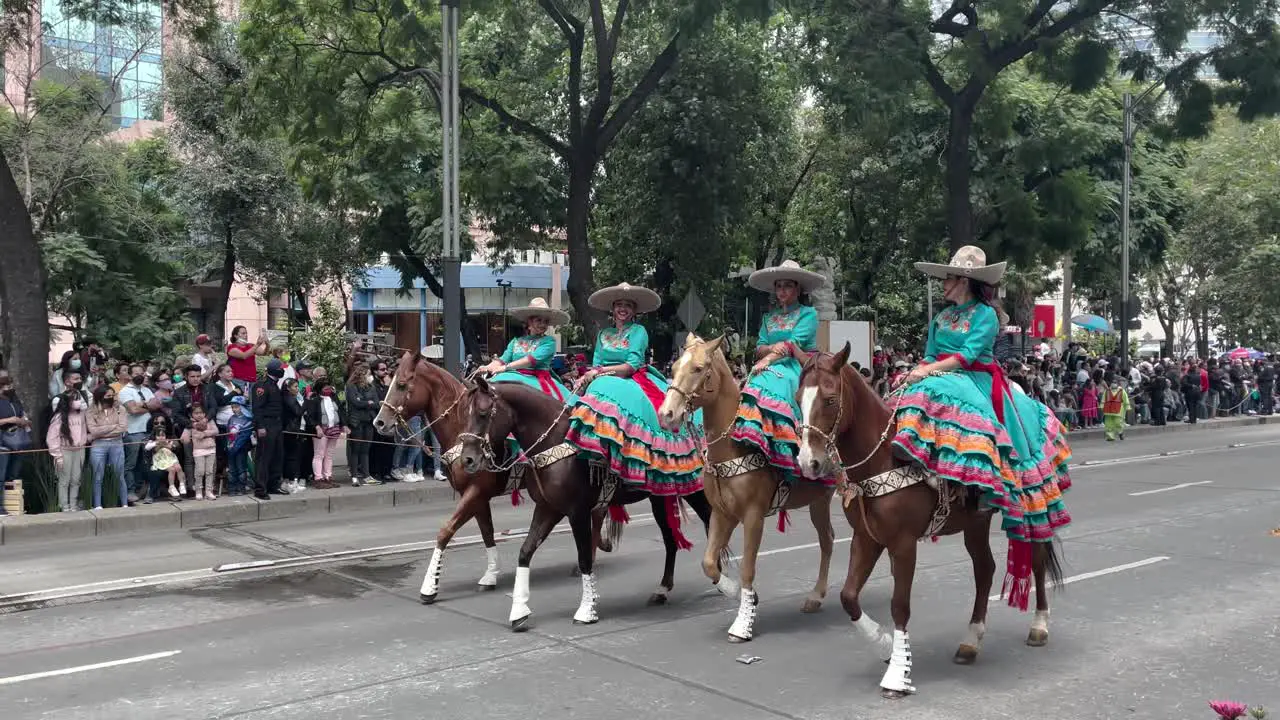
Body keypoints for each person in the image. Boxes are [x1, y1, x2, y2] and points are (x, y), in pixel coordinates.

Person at [896, 246, 1072, 609]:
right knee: (902, 398)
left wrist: (928, 371)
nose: (943, 284)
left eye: (948, 278)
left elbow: (968, 356)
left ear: (965, 281)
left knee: (957, 413)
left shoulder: (987, 315)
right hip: (942, 378)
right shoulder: (941, 317)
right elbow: (931, 353)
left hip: (975, 381)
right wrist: (917, 371)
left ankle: (982, 486)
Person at [566, 283, 702, 500]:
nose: (622, 309)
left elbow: (631, 365)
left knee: (606, 390)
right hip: (602, 376)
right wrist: (588, 375)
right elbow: (597, 362)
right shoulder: (604, 333)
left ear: (634, 311)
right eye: (619, 304)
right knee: (576, 398)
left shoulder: (639, 331)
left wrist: (600, 372)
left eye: (628, 305)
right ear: (612, 308)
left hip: (631, 377)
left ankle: (626, 461)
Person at [732, 260, 824, 482]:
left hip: (799, 366)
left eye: (788, 286)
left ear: (798, 289)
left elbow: (792, 344)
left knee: (774, 384)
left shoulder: (808, 314)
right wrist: (769, 351)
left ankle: (790, 448)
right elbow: (759, 346)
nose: (782, 290)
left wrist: (769, 357)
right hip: (769, 365)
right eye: (779, 286)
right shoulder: (768, 317)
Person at [479, 297, 575, 402]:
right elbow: (503, 359)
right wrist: (487, 367)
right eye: (539, 320)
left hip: (538, 381)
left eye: (546, 321)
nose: (543, 324)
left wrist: (505, 368)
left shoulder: (549, 341)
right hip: (513, 376)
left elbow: (530, 360)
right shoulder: (515, 341)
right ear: (529, 321)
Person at [85, 384, 128, 510]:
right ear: (100, 397)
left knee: (119, 474)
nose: (112, 398)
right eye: (108, 396)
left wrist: (102, 430)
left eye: (113, 395)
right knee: (98, 475)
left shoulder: (120, 409)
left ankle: (124, 503)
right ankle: (97, 504)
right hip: (98, 445)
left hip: (117, 443)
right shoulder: (91, 411)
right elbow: (93, 431)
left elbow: (122, 427)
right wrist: (112, 427)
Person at [47, 385, 90, 511]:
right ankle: (64, 506)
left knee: (76, 479)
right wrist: (57, 456)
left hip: (80, 450)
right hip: (64, 451)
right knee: (64, 480)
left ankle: (73, 504)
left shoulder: (82, 414)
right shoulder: (59, 417)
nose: (77, 402)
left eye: (78, 398)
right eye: (74, 399)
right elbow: (52, 438)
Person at [252, 359, 287, 499]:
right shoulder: (262, 386)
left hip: (277, 425)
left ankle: (273, 485)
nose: (282, 370)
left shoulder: (275, 385)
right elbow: (257, 408)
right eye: (280, 368)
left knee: (277, 456)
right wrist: (260, 426)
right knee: (264, 458)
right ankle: (261, 489)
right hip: (267, 424)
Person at [0, 373, 33, 515]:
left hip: (18, 442)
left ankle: (13, 506)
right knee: (0, 477)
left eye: (10, 384)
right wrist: (10, 420)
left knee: (13, 475)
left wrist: (23, 420)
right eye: (6, 385)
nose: (9, 387)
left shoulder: (14, 399)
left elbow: (23, 415)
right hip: (2, 443)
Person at [306, 379, 346, 489]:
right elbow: (310, 416)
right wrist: (317, 427)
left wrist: (344, 425)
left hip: (334, 429)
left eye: (329, 387)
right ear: (320, 389)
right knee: (319, 454)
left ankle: (328, 476)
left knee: (329, 455)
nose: (328, 390)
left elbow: (340, 411)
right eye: (325, 388)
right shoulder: (315, 400)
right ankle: (318, 478)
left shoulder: (334, 398)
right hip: (321, 430)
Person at [183, 405, 220, 499]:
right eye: (196, 413)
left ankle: (209, 491)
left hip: (211, 449)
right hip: (198, 450)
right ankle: (198, 491)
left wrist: (205, 433)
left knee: (209, 471)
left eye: (201, 413)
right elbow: (184, 437)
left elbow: (216, 431)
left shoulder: (210, 421)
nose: (199, 415)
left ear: (204, 414)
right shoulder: (191, 424)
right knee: (199, 471)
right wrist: (185, 438)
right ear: (192, 414)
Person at [226, 397, 254, 496]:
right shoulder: (231, 418)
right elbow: (227, 433)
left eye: (236, 407)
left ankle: (241, 488)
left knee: (241, 468)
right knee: (231, 469)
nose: (234, 409)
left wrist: (236, 447)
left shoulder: (248, 420)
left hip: (241, 448)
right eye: (232, 407)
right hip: (231, 448)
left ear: (242, 407)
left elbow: (244, 435)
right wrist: (229, 446)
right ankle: (232, 488)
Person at [1101, 375, 1130, 441]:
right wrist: (1102, 406)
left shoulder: (1121, 391)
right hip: (1108, 410)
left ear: (1117, 383)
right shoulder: (1107, 390)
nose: (1113, 384)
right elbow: (1103, 399)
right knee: (1108, 424)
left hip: (1118, 410)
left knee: (1118, 422)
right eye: (1112, 382)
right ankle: (1110, 437)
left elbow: (1125, 399)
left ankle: (1120, 432)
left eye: (1115, 382)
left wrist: (1127, 407)